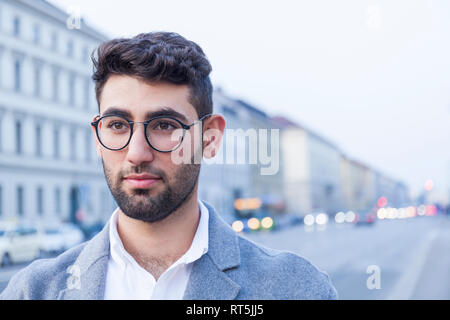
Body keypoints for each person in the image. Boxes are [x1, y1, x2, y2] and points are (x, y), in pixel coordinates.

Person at [0, 32, 337, 300]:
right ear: (97, 136)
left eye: (164, 125)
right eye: (118, 124)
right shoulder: (33, 291)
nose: (137, 153)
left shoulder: (294, 289)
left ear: (210, 138)